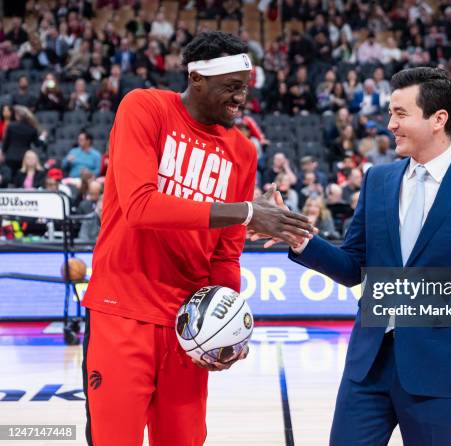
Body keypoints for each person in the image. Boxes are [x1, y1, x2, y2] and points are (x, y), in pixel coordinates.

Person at [80, 31, 315, 446]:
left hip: (187, 325)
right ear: (197, 79)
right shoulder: (144, 107)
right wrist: (245, 211)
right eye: (232, 87)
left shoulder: (243, 152)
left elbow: (225, 255)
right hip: (123, 310)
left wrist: (226, 327)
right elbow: (140, 207)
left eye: (245, 88)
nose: (241, 98)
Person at [284, 68, 451, 445]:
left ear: (438, 119)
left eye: (400, 113)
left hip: (440, 372)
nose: (390, 124)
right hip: (368, 366)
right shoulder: (377, 180)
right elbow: (352, 267)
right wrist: (299, 238)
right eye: (390, 113)